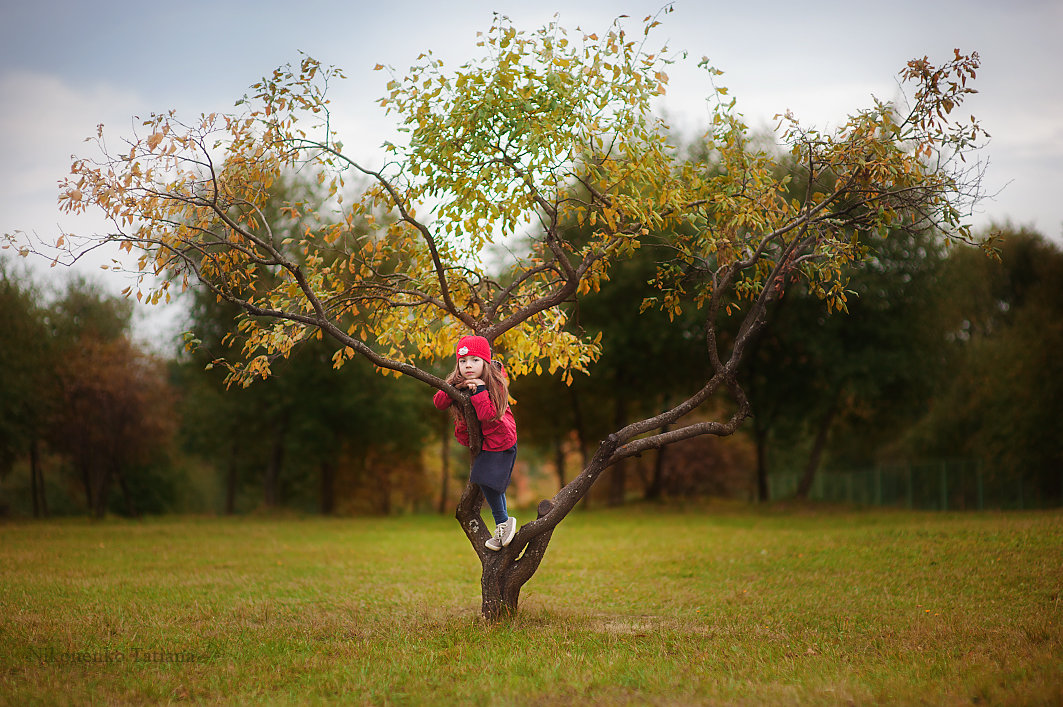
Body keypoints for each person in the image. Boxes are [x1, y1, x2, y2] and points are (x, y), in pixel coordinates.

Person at [433, 335, 518, 551]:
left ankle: (503, 523)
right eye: (463, 361)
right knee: (489, 482)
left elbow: (488, 416)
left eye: (474, 360)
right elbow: (439, 402)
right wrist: (453, 384)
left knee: (489, 481)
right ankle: (503, 526)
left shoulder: (494, 382)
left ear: (485, 362)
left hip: (500, 439)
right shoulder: (460, 381)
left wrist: (480, 389)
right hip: (485, 441)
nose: (468, 365)